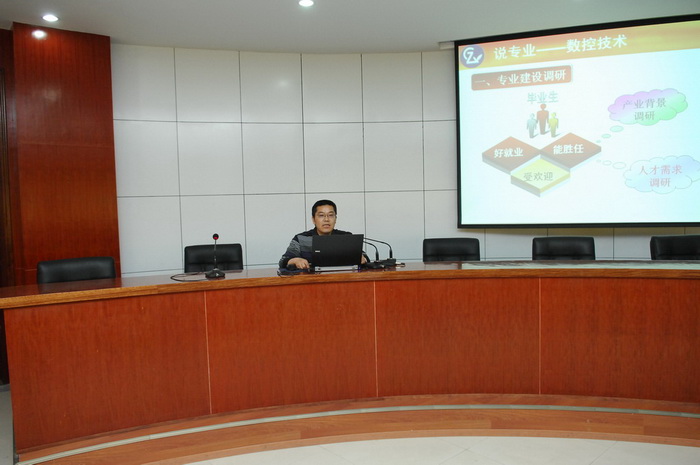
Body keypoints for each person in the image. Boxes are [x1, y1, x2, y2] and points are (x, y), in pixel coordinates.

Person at [279, 199, 367, 270]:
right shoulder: (301, 238)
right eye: (321, 215)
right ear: (313, 219)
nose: (326, 219)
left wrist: (362, 258)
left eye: (331, 215)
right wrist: (294, 260)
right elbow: (283, 261)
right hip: (311, 282)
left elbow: (365, 258)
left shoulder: (346, 237)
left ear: (335, 219)